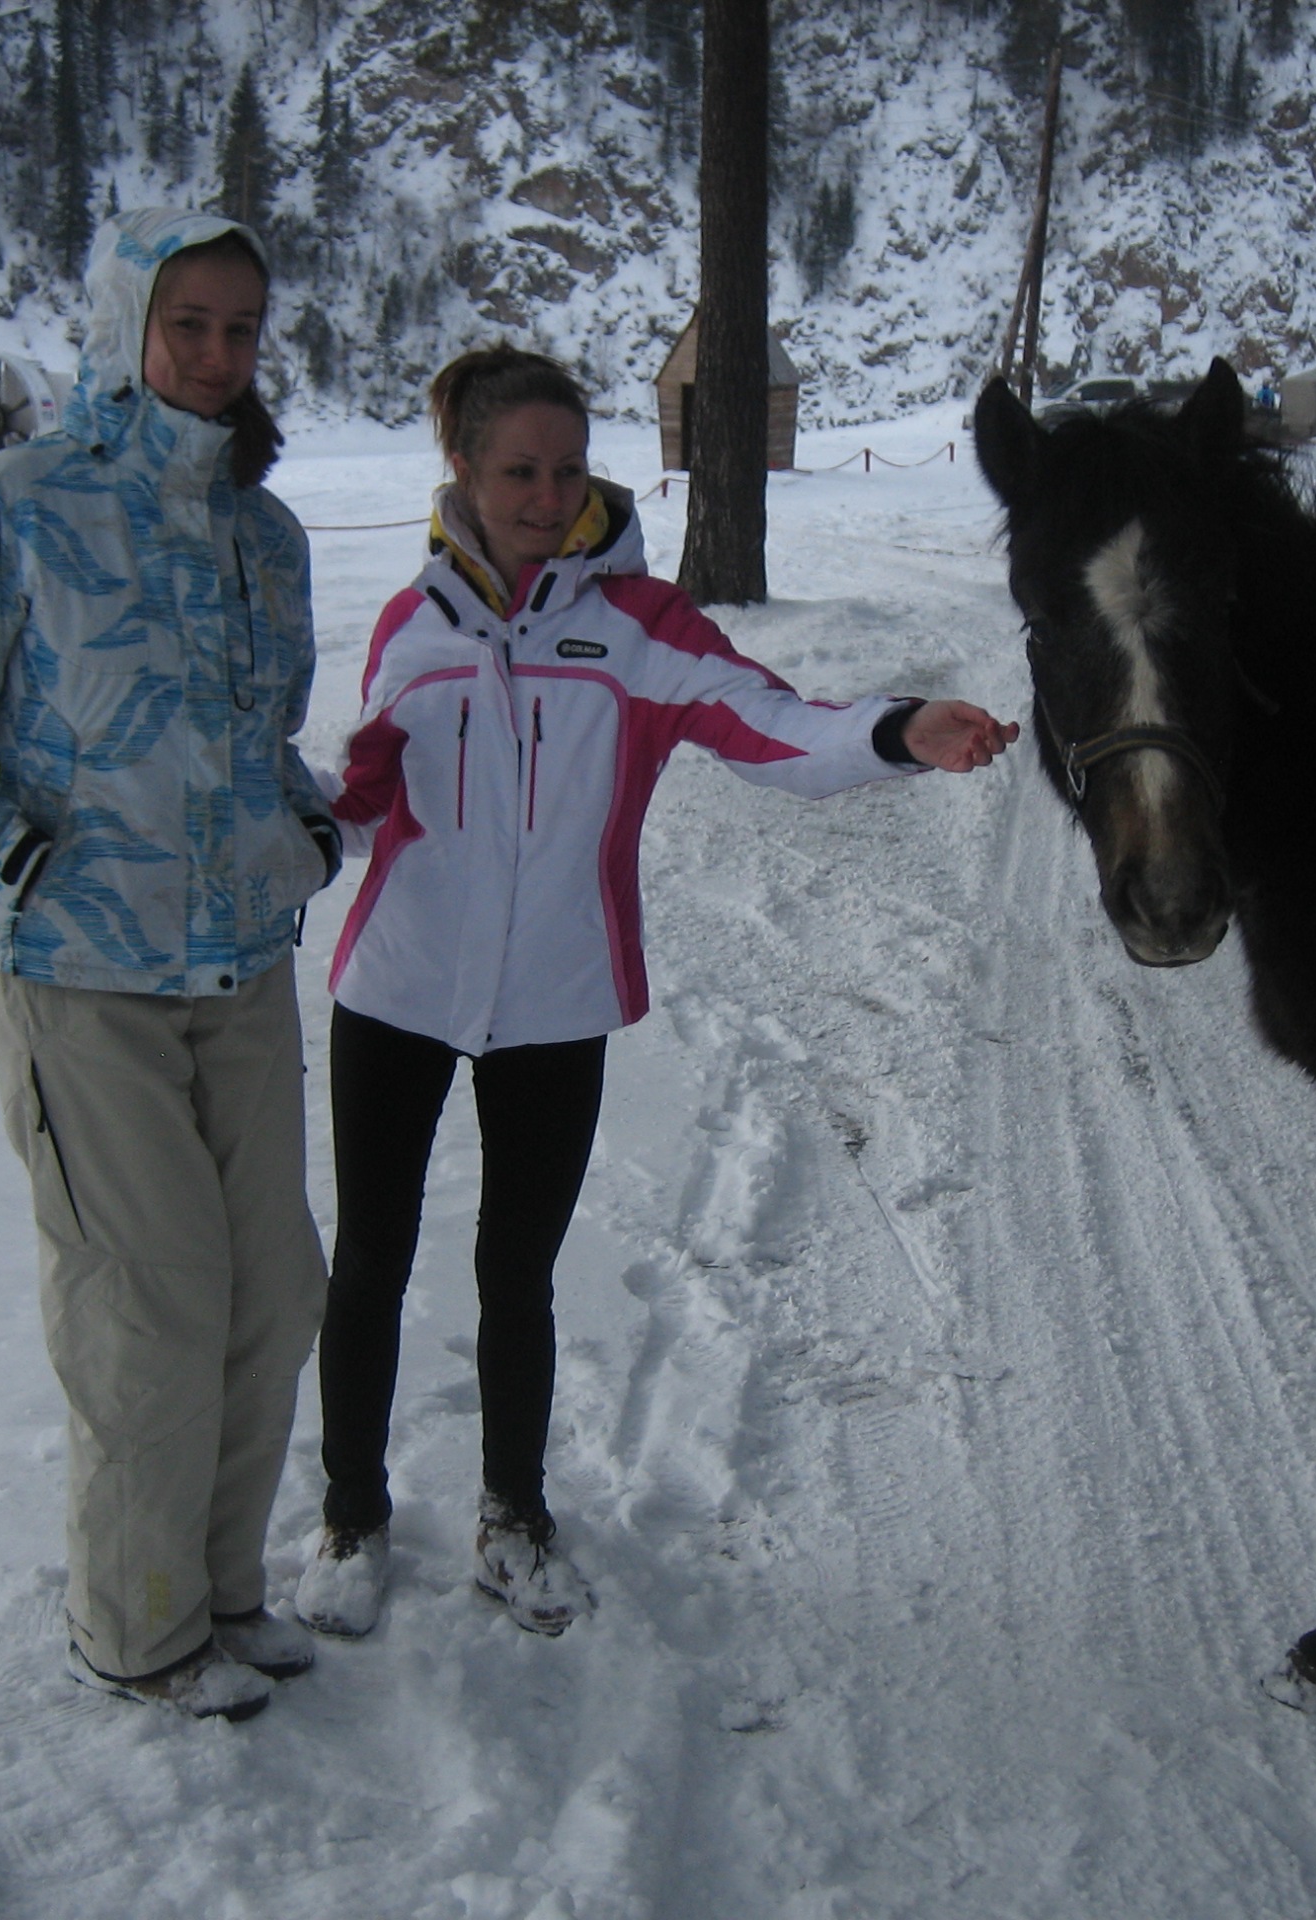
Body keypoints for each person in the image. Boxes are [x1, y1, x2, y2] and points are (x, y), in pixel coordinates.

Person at [294, 345, 1017, 1640]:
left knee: (518, 1272)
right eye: (519, 471)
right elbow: (365, 800)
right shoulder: (412, 627)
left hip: (556, 999)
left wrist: (894, 730)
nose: (547, 495)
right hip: (397, 984)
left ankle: (514, 1518)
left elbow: (767, 725)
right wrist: (288, 815)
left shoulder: (639, 626)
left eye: (568, 469)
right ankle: (352, 1517)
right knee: (371, 1260)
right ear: (460, 469)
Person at [0, 209, 340, 1721]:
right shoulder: (13, 505)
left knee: (272, 1289)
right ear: (126, 323)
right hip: (83, 976)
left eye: (241, 328)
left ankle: (223, 1587)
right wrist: (14, 858)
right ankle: (139, 1628)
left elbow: (263, 740)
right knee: (148, 1303)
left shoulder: (265, 531)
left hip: (240, 968)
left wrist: (306, 829)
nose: (217, 354)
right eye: (188, 322)